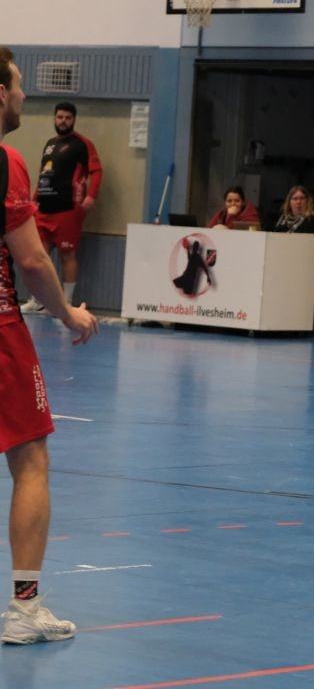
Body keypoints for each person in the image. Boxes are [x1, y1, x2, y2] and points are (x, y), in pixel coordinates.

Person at [0, 46, 99, 644]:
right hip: (0, 330)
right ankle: (24, 609)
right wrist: (67, 314)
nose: (23, 95)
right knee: (31, 458)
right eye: (16, 84)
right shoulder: (7, 161)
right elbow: (33, 261)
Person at [19, 101, 102, 313]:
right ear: (54, 119)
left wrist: (91, 196)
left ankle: (66, 302)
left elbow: (97, 170)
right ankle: (38, 300)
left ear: (73, 120)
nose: (63, 121)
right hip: (43, 210)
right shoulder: (50, 144)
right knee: (38, 256)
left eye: (67, 118)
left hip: (68, 210)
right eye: (59, 117)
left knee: (67, 255)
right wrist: (33, 201)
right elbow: (44, 175)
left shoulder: (82, 144)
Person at [269, 185, 314, 293]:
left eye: (301, 198)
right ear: (289, 202)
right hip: (284, 274)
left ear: (307, 201)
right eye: (295, 199)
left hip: (308, 276)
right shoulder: (281, 223)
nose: (298, 202)